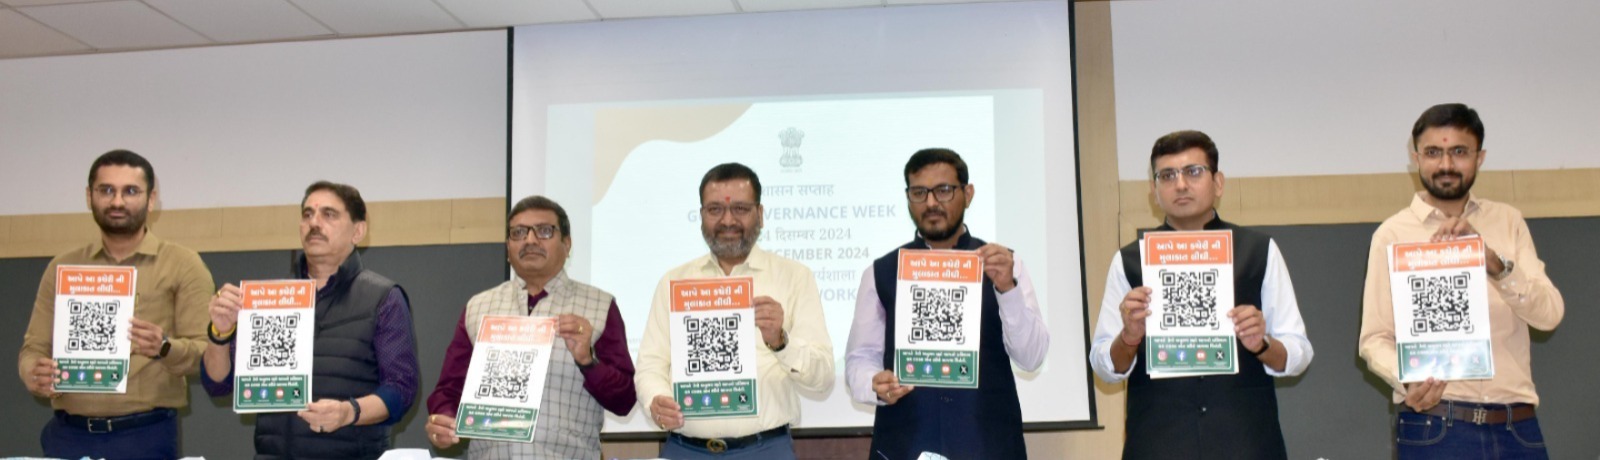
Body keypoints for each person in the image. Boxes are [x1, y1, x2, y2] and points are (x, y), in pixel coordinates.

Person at [1089, 131, 1313, 459]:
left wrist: (1262, 344)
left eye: (1193, 172)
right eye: (1167, 175)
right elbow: (1105, 366)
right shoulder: (1130, 260)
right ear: (1153, 191)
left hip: (1246, 443)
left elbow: (1299, 353)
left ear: (1218, 183)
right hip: (1158, 445)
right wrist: (1129, 337)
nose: (1180, 184)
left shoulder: (1259, 251)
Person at [1358, 103, 1564, 459]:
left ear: (1479, 157)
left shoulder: (1508, 222)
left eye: (1459, 152)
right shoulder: (1391, 234)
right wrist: (1408, 380)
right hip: (1435, 424)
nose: (1446, 165)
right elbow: (1375, 339)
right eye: (1432, 153)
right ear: (1415, 158)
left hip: (1517, 426)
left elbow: (1550, 316)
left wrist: (1496, 265)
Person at [844, 148, 1050, 459]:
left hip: (988, 445)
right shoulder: (881, 272)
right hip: (906, 444)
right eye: (919, 192)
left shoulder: (1006, 265)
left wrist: (1007, 289)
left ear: (968, 194)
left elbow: (1032, 357)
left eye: (943, 190)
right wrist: (873, 383)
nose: (931, 203)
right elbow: (859, 359)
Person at [18, 149, 216, 460]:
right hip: (68, 434)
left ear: (151, 199)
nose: (117, 201)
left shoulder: (182, 264)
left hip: (145, 436)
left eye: (131, 191)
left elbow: (209, 355)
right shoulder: (63, 267)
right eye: (106, 190)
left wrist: (164, 347)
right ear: (89, 196)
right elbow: (33, 349)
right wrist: (33, 373)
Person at [201, 181, 420, 459]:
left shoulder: (384, 298)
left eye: (329, 214)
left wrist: (348, 412)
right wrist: (220, 333)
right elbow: (218, 383)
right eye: (307, 214)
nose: (314, 223)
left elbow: (401, 389)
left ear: (358, 231)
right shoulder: (268, 299)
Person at [634, 163, 833, 459]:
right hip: (685, 449)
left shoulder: (794, 277)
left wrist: (780, 341)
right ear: (701, 215)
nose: (728, 220)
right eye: (715, 210)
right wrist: (656, 399)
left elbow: (823, 376)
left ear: (760, 214)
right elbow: (651, 365)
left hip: (766, 450)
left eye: (740, 208)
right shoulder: (674, 282)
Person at [424, 195, 636, 458]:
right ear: (508, 247)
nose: (530, 240)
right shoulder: (478, 308)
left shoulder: (600, 307)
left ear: (567, 244)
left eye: (544, 231)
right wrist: (443, 420)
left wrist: (588, 361)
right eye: (519, 233)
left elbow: (625, 400)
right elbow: (449, 389)